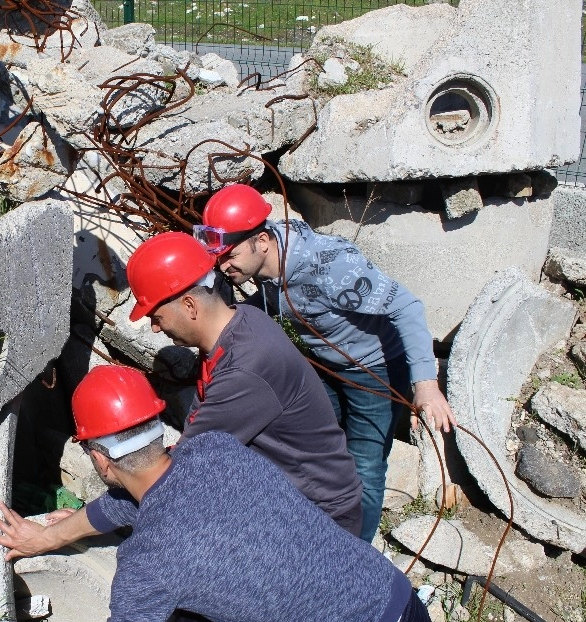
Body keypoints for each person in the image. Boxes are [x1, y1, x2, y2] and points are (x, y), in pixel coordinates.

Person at [0, 365, 432, 622]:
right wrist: (49, 537)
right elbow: (139, 499)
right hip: (399, 600)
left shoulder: (148, 560)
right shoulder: (213, 448)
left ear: (101, 461)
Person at [0, 232, 363, 566]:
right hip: (289, 502)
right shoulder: (237, 331)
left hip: (317, 524)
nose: (153, 326)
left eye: (156, 314)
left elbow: (167, 482)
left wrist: (57, 534)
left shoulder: (246, 370)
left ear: (190, 306)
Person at [195, 183, 458, 542]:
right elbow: (273, 304)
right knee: (314, 442)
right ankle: (316, 525)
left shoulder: (331, 266)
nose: (224, 266)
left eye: (230, 255)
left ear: (261, 241)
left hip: (375, 369)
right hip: (326, 365)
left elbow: (406, 306)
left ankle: (355, 556)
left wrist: (425, 384)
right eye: (218, 257)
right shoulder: (269, 267)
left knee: (364, 462)